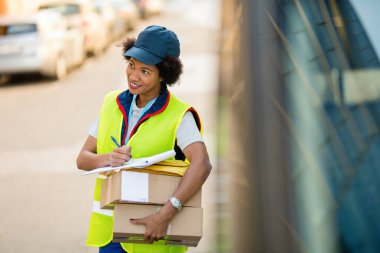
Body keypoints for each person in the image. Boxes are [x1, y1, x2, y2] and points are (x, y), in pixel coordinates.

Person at [76, 25, 212, 253]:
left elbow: (202, 164)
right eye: (131, 66)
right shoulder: (111, 102)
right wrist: (108, 158)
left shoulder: (180, 115)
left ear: (164, 75)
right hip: (110, 236)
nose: (133, 76)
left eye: (145, 71)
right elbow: (83, 159)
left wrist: (166, 214)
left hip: (152, 237)